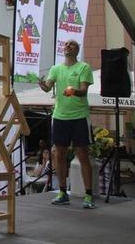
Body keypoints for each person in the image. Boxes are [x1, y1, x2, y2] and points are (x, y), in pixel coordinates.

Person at [39, 39, 95, 208]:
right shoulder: (56, 69)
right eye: (66, 45)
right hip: (60, 116)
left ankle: (89, 195)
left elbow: (84, 91)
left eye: (72, 45)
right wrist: (41, 84)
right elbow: (48, 87)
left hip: (79, 116)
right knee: (59, 154)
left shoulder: (83, 67)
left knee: (82, 154)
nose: (68, 46)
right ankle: (63, 192)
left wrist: (73, 91)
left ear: (77, 50)